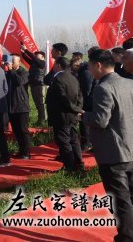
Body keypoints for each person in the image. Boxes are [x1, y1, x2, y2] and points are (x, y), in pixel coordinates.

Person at [84, 48, 133, 241]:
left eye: (89, 66)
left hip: (113, 153)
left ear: (98, 65)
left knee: (121, 200)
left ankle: (126, 237)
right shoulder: (129, 83)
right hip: (130, 148)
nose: (89, 70)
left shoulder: (103, 88)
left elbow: (100, 120)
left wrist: (84, 116)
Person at [45, 56, 84, 172]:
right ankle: (78, 164)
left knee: (63, 141)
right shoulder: (73, 77)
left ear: (58, 65)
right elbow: (80, 95)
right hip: (72, 115)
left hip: (61, 116)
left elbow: (63, 98)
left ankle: (70, 167)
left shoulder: (58, 79)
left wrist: (75, 109)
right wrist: (78, 108)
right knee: (73, 140)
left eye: (54, 63)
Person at [6, 53, 32, 159]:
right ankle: (21, 151)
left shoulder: (23, 72)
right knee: (16, 131)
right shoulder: (8, 73)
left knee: (23, 130)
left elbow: (19, 82)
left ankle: (26, 153)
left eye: (13, 61)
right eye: (10, 60)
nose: (11, 63)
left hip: (21, 106)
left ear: (19, 62)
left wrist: (11, 70)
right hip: (11, 106)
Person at [21, 46, 47, 126]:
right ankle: (40, 119)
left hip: (39, 85)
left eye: (37, 55)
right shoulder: (34, 63)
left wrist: (26, 49)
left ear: (42, 57)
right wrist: (22, 52)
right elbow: (26, 58)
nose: (35, 56)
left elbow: (34, 58)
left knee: (41, 104)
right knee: (37, 104)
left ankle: (43, 120)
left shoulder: (42, 63)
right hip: (33, 85)